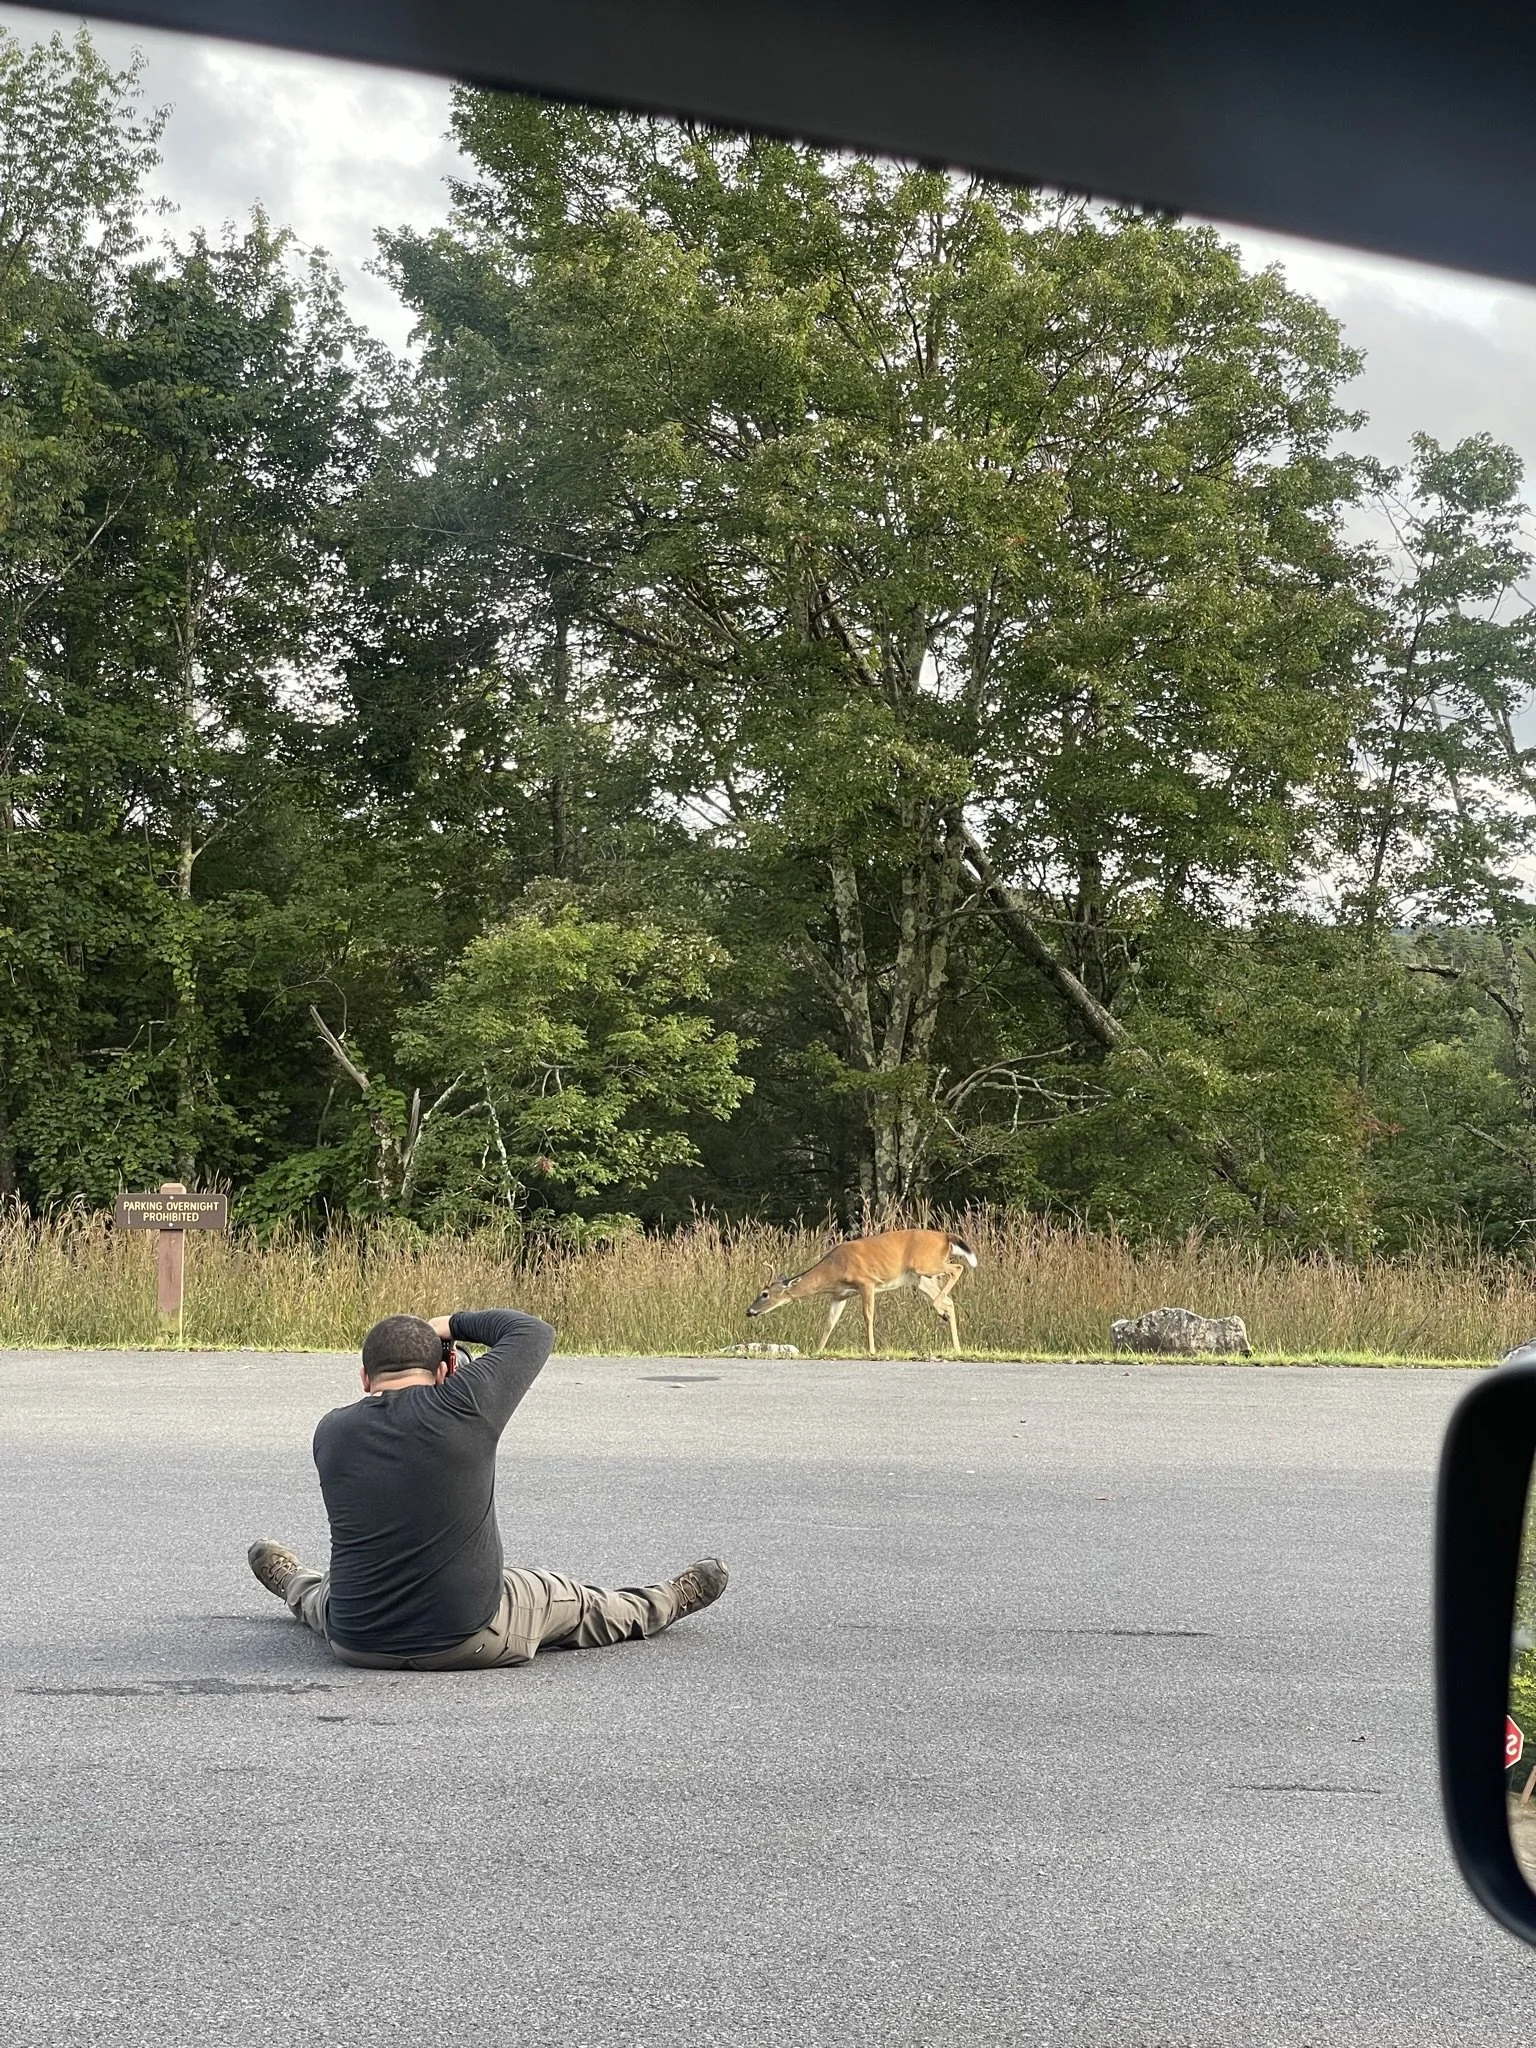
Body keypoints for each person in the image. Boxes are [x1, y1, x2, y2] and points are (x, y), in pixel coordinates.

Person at [247, 1307, 728, 1670]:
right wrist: (449, 1324)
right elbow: (532, 1332)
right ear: (443, 1371)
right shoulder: (464, 1406)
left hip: (355, 1643)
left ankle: (292, 1582)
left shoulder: (331, 1430)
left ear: (364, 1378)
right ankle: (663, 1602)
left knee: (326, 1594)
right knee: (564, 1597)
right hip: (466, 1637)